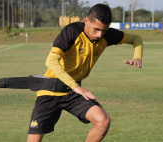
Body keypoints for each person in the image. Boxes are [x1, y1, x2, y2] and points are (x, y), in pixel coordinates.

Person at [27, 4, 143, 142]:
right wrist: (77, 87)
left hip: (74, 92)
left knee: (103, 121)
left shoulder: (107, 35)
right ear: (86, 21)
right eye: (96, 29)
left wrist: (137, 56)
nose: (100, 35)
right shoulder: (72, 31)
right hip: (50, 91)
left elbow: (136, 38)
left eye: (104, 31)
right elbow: (51, 61)